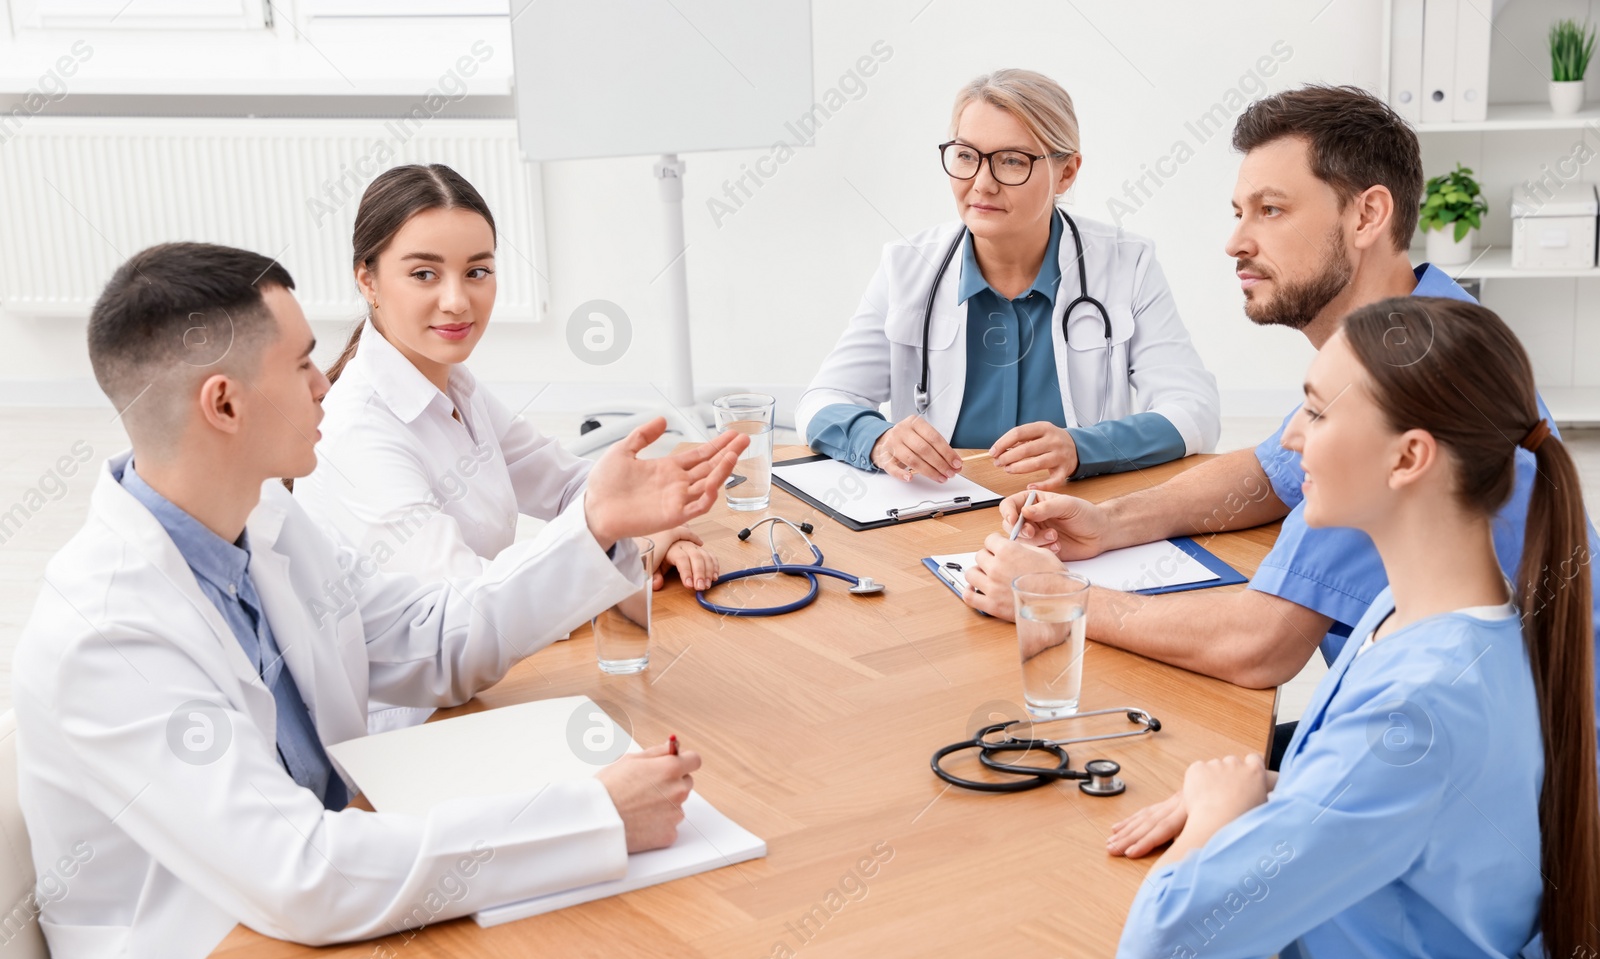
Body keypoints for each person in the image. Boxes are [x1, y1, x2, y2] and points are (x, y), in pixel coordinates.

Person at [13, 242, 747, 959]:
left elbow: (435, 638)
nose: (328, 381)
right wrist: (593, 815)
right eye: (301, 365)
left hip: (311, 932)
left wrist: (595, 525)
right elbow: (302, 872)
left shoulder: (265, 525)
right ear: (223, 404)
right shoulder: (109, 631)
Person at [963, 86, 1600, 761]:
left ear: (1368, 214)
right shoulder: (1416, 330)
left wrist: (1057, 597)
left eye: (1271, 210)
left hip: (1525, 787)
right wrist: (1110, 523)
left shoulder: (1407, 388)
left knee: (1148, 773)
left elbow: (1258, 642)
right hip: (1460, 736)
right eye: (1239, 212)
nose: (1236, 241)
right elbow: (1271, 472)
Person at [1111, 297, 1599, 959]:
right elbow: (1414, 802)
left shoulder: (1419, 708)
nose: (1290, 438)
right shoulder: (1416, 611)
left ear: (1408, 457)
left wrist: (1213, 813)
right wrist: (1279, 794)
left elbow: (1168, 935)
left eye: (1314, 412)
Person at [294, 164, 717, 730]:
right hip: (419, 723)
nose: (457, 301)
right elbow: (463, 619)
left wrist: (643, 529)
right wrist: (626, 540)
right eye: (424, 273)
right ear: (367, 280)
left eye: (477, 271)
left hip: (482, 685)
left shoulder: (453, 382)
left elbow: (571, 487)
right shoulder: (357, 432)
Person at [795, 68, 1219, 488]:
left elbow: (1194, 410)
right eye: (965, 156)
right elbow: (820, 402)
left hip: (1075, 516)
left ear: (1066, 173)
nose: (982, 184)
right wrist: (879, 438)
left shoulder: (1128, 264)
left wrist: (1084, 448)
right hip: (939, 512)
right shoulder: (906, 267)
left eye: (1011, 161)